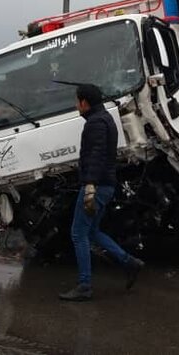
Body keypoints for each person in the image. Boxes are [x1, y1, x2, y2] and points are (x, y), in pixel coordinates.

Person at [59, 84, 144, 301]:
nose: (76, 105)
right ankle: (129, 262)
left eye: (77, 101)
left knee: (78, 233)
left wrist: (89, 186)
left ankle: (85, 285)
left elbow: (95, 156)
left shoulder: (95, 124)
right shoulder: (104, 118)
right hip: (105, 185)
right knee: (92, 231)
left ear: (84, 102)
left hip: (96, 186)